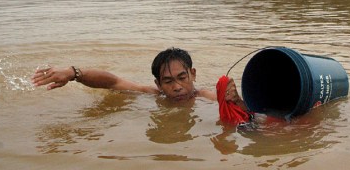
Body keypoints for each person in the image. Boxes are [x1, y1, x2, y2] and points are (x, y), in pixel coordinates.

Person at [31, 47, 247, 111]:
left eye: (182, 78)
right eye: (169, 81)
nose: (178, 87)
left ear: (193, 74)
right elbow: (113, 82)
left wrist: (236, 101)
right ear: (158, 84)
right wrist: (74, 73)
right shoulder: (153, 94)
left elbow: (253, 115)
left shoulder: (208, 98)